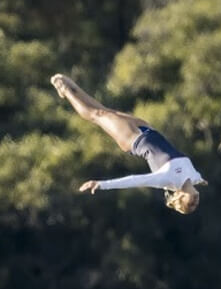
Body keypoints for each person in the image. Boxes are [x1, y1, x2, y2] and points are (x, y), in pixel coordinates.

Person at [50, 73, 207, 214]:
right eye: (195, 205)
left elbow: (134, 180)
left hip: (133, 140)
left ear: (179, 196)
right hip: (147, 129)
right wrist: (202, 181)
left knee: (97, 115)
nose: (194, 203)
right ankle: (72, 86)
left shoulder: (167, 180)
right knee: (105, 111)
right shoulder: (195, 177)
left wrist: (101, 184)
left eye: (189, 205)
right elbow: (198, 178)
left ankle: (66, 90)